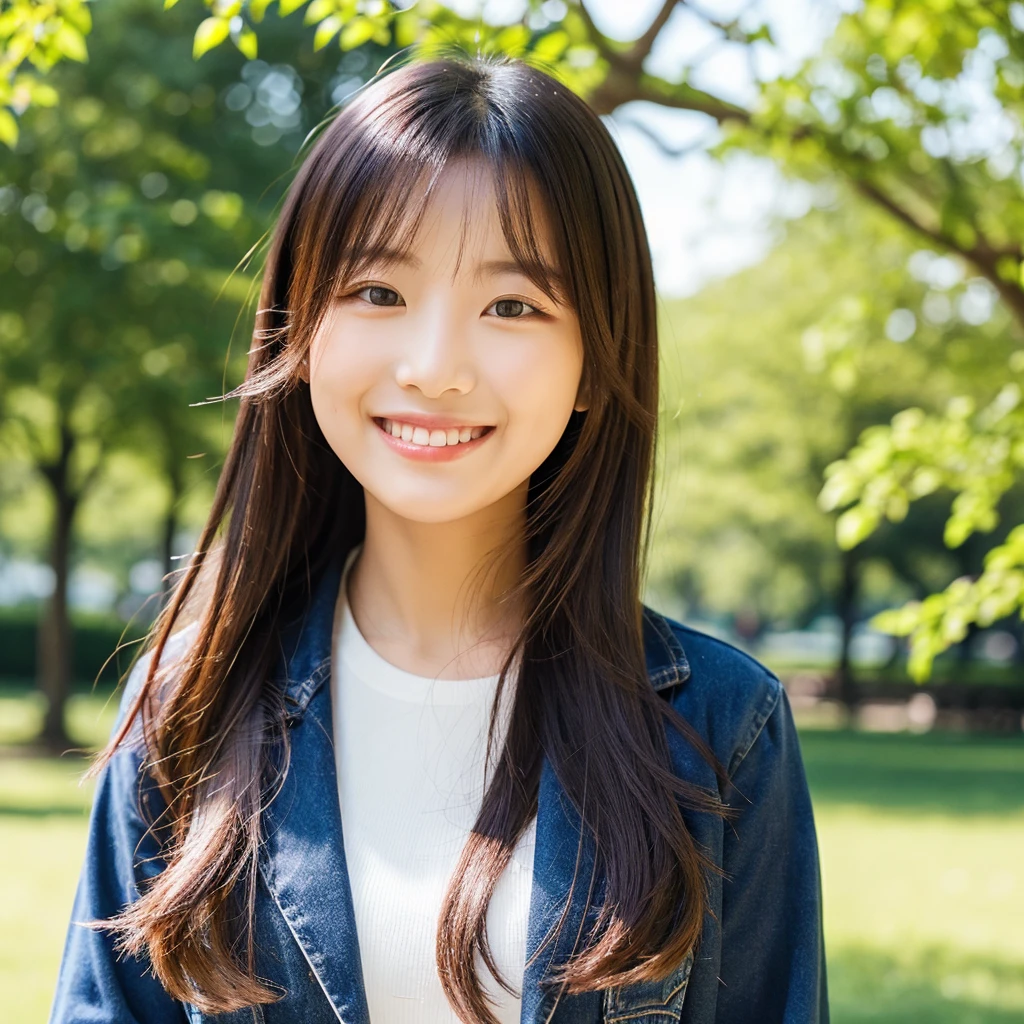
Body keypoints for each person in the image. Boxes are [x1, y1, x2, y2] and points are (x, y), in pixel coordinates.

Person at [49, 52, 828, 1024]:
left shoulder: (720, 729)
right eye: (379, 291)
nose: (434, 367)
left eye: (512, 305)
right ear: (302, 325)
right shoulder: (189, 709)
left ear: (597, 359)